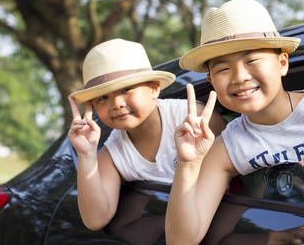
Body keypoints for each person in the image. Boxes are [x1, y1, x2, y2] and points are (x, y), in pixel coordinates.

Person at [166, 0, 304, 244]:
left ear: (282, 63)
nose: (240, 77)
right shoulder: (228, 146)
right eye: (223, 69)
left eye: (251, 61)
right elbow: (182, 241)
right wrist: (188, 164)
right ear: (211, 82)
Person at [67, 39, 227, 242]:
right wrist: (86, 154)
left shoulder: (197, 119)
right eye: (103, 98)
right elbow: (95, 220)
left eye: (126, 89)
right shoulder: (114, 153)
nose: (116, 103)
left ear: (154, 89)